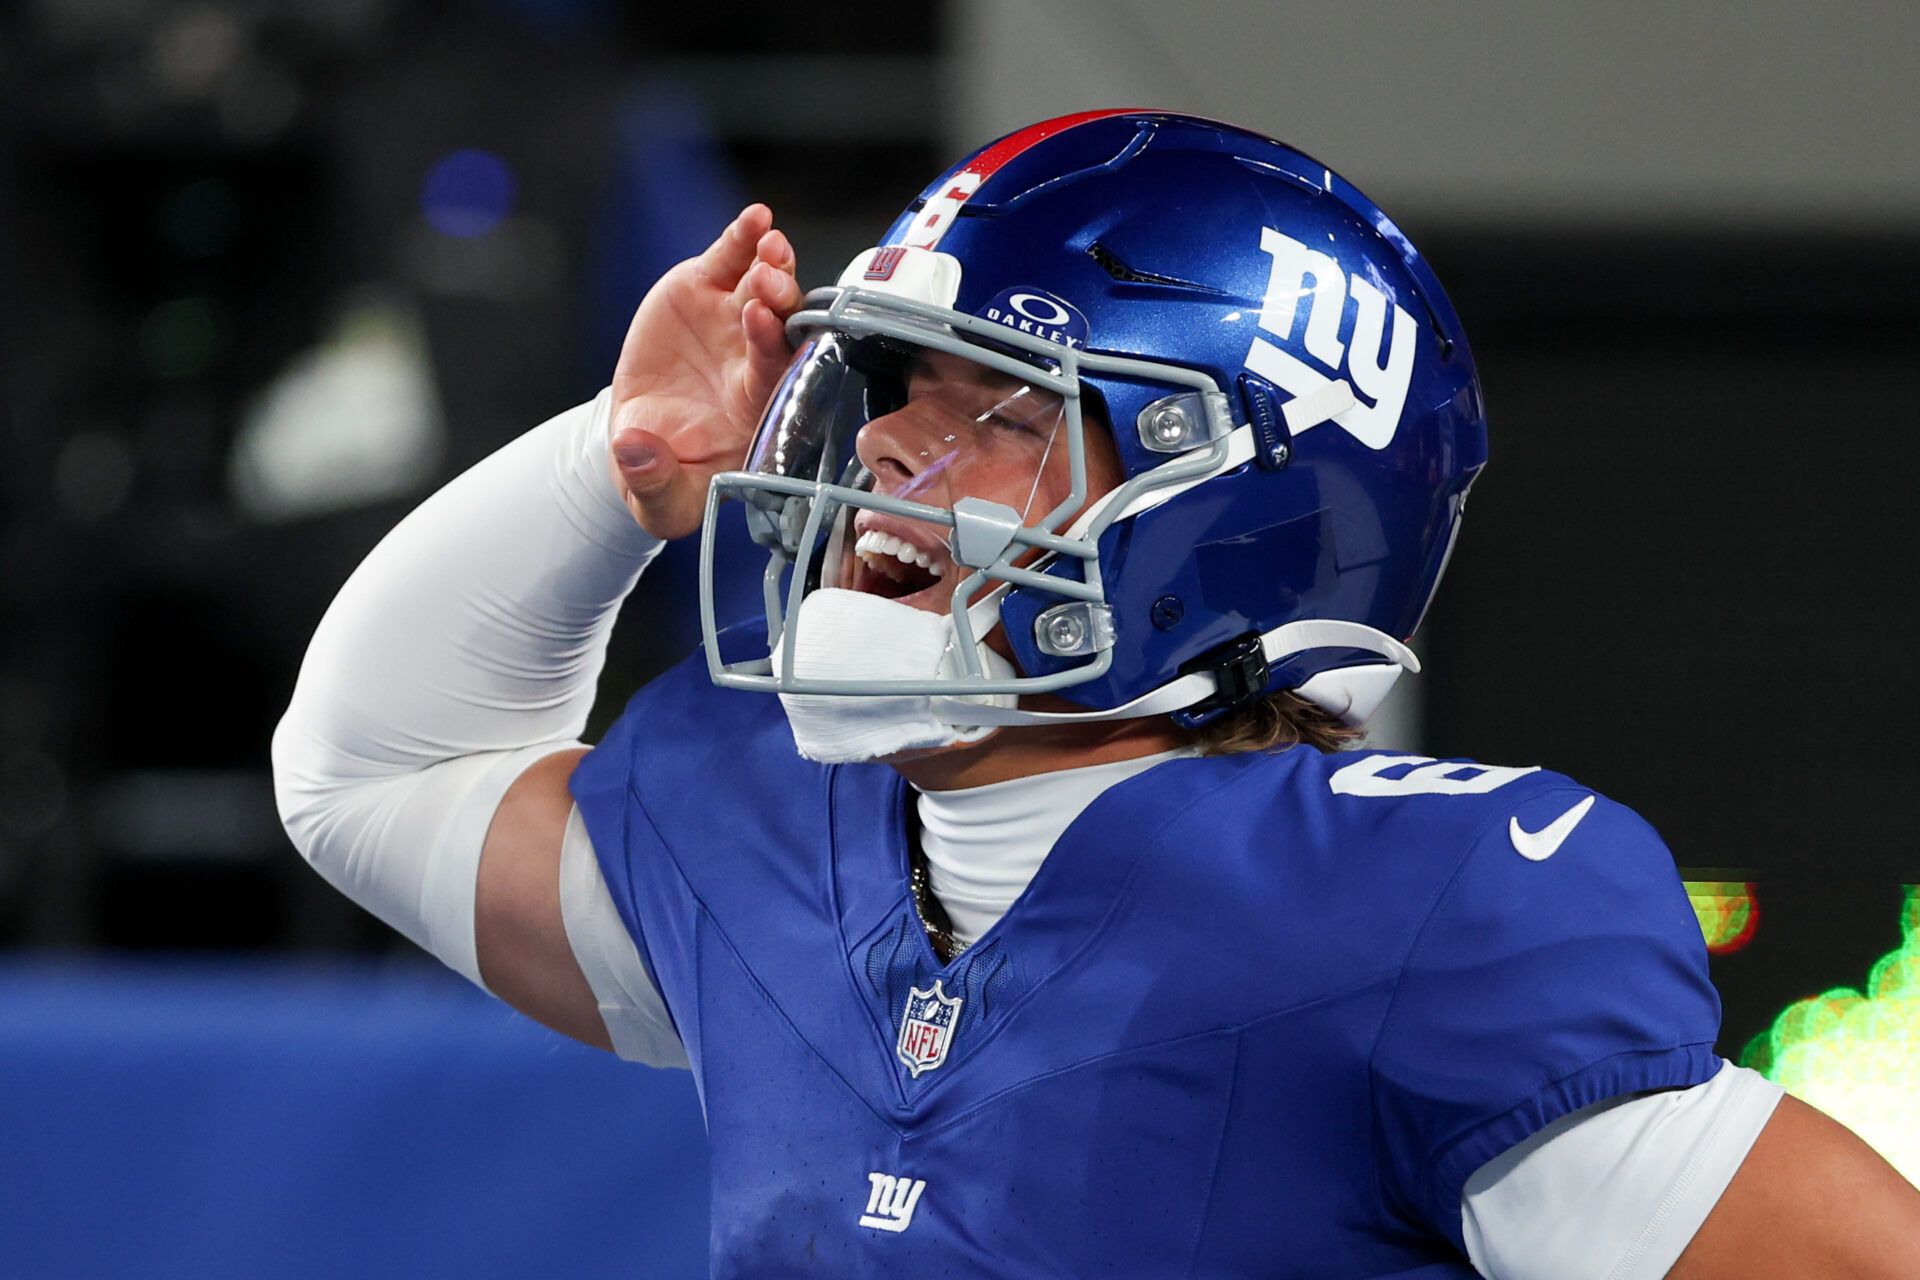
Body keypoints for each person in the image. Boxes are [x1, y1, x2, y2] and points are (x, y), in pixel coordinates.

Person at [272, 111, 1920, 1277]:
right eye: (905, 388)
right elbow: (368, 769)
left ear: (1233, 512)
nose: (896, 446)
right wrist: (612, 460)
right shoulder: (779, 822)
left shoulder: (1412, 907)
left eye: (1006, 405)